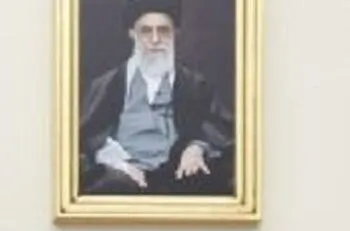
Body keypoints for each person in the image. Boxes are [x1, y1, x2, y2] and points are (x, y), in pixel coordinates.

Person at [78, 0, 236, 196]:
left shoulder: (194, 84)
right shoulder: (106, 85)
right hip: (122, 174)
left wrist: (197, 147)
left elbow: (219, 128)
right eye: (146, 31)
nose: (155, 39)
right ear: (132, 33)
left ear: (175, 33)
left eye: (163, 31)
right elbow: (88, 136)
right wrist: (117, 163)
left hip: (177, 172)